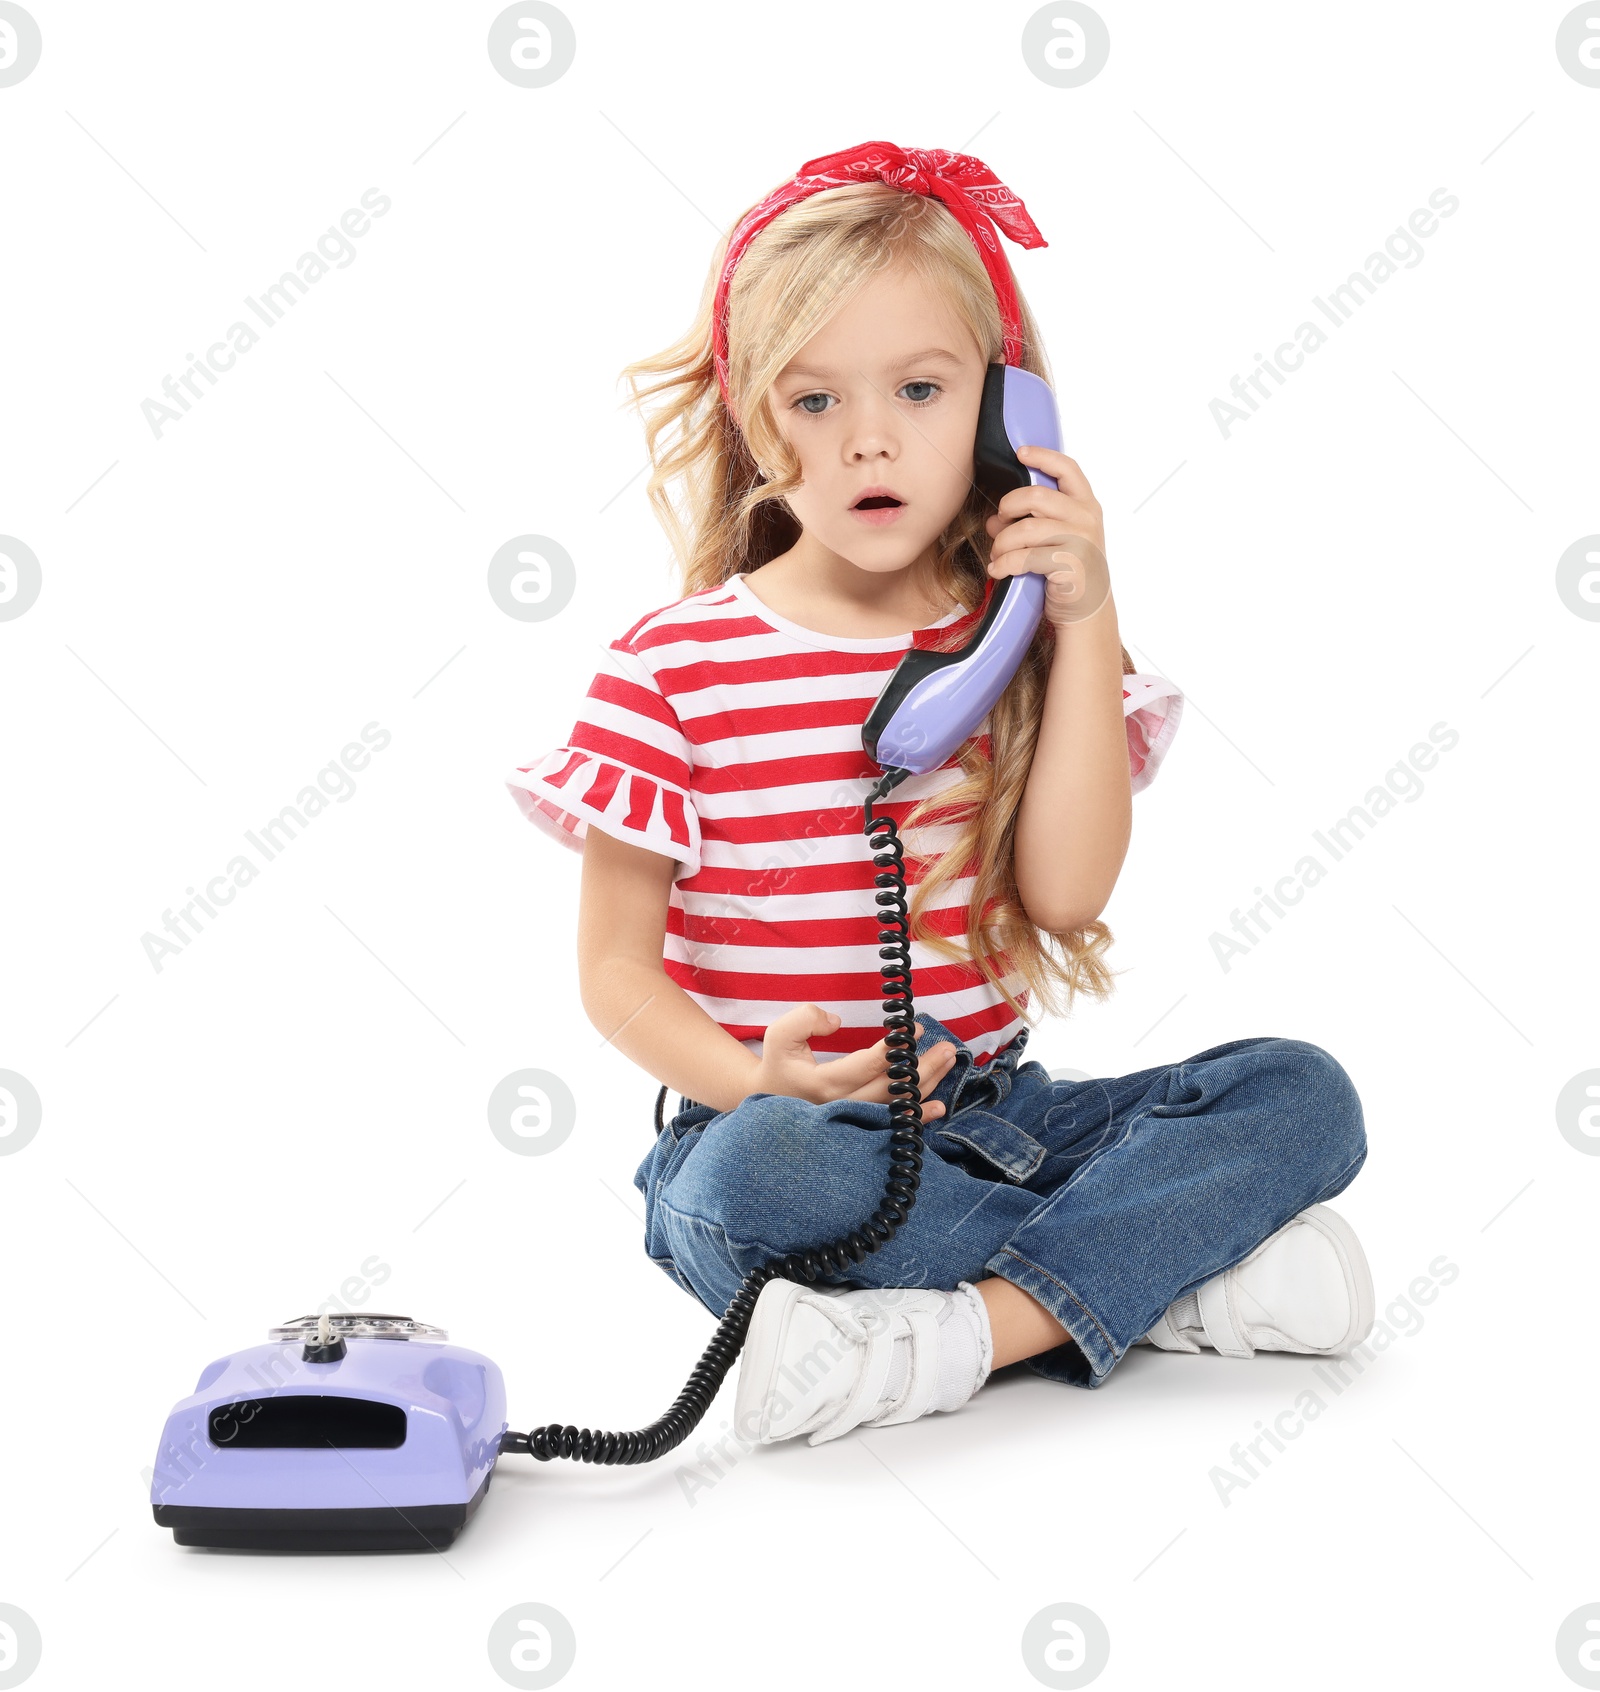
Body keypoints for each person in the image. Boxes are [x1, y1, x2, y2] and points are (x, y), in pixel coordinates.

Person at [505, 141, 1372, 1450]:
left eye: (919, 388)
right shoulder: (671, 667)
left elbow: (1067, 891)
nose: (867, 437)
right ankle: (1163, 1278)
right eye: (812, 402)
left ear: (1000, 416)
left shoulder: (1010, 641)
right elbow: (615, 976)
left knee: (1304, 1093)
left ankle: (961, 1336)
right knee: (761, 1181)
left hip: (1003, 1120)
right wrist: (750, 1078)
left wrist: (1079, 619)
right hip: (786, 1139)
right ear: (752, 417)